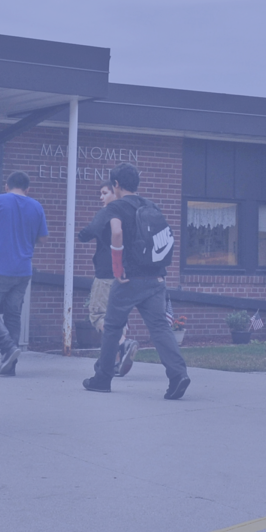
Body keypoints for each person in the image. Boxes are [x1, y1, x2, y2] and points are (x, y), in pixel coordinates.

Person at [81, 163, 189, 396]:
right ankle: (178, 375)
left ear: (116, 185)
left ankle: (102, 378)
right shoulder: (151, 205)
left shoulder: (117, 207)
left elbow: (116, 232)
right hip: (156, 278)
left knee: (112, 326)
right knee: (160, 327)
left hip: (129, 280)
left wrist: (117, 267)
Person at [0, 170, 48, 376]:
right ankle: (10, 365)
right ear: (28, 189)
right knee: (13, 313)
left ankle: (7, 347)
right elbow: (43, 238)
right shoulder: (37, 206)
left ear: (6, 186)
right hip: (23, 269)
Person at [78, 180, 139, 375]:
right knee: (119, 317)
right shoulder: (132, 212)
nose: (101, 197)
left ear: (115, 192)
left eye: (105, 192)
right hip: (128, 274)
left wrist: (82, 233)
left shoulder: (109, 212)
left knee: (98, 315)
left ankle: (123, 343)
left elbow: (86, 233)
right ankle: (115, 361)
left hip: (106, 273)